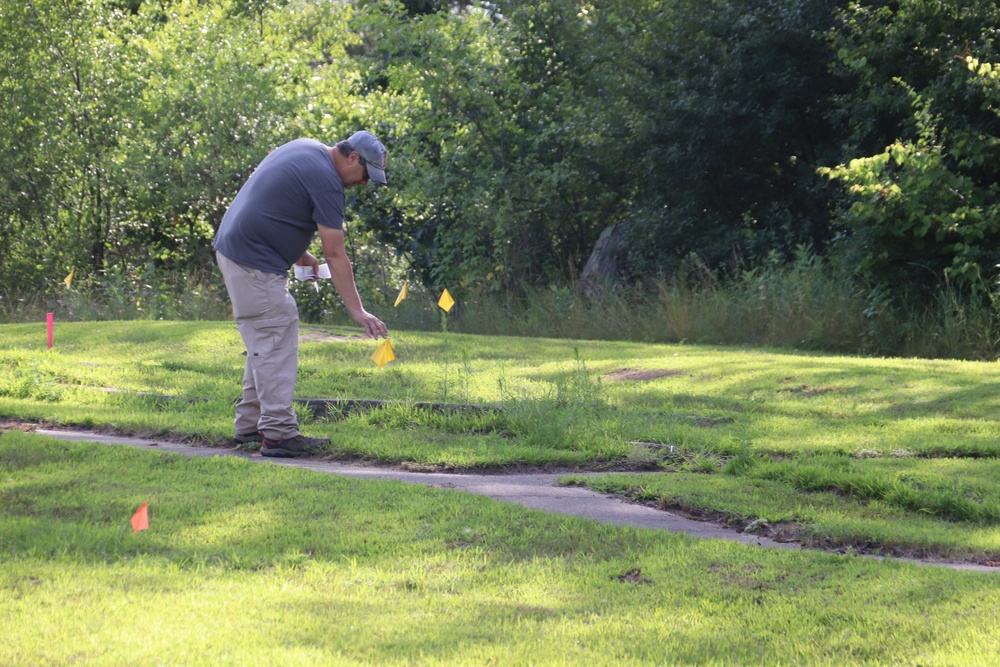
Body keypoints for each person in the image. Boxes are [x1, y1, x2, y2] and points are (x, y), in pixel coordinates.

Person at [213, 131, 389, 458]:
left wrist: (295, 252)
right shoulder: (328, 182)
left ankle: (250, 426)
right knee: (276, 330)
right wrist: (357, 311)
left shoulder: (306, 147)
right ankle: (279, 434)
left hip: (238, 249)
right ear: (353, 158)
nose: (363, 184)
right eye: (366, 175)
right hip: (253, 259)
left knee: (267, 339)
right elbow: (336, 255)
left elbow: (275, 192)